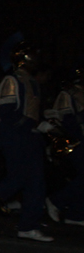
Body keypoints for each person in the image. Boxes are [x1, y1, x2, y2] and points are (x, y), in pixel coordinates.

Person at [0, 34, 55, 241]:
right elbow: (6, 114)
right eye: (33, 55)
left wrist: (43, 121)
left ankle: (28, 226)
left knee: (36, 183)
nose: (37, 59)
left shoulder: (31, 81)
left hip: (31, 137)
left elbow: (31, 111)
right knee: (17, 179)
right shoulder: (12, 80)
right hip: (15, 137)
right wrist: (34, 124)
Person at [45, 67, 84, 226]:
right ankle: (56, 200)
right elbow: (67, 121)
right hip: (73, 142)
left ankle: (75, 214)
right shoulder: (66, 94)